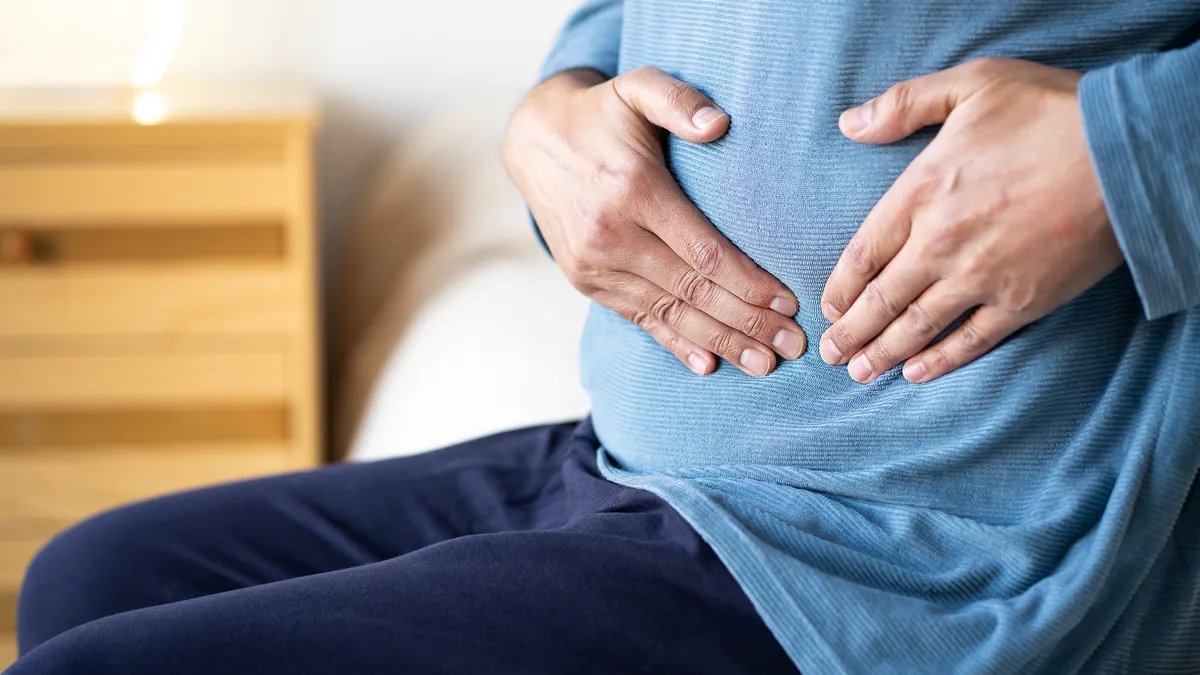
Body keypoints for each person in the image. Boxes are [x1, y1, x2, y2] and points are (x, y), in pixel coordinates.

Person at [10, 1, 1200, 673]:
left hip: (917, 540)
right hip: (628, 459)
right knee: (97, 574)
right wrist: (553, 110)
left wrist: (1126, 149)